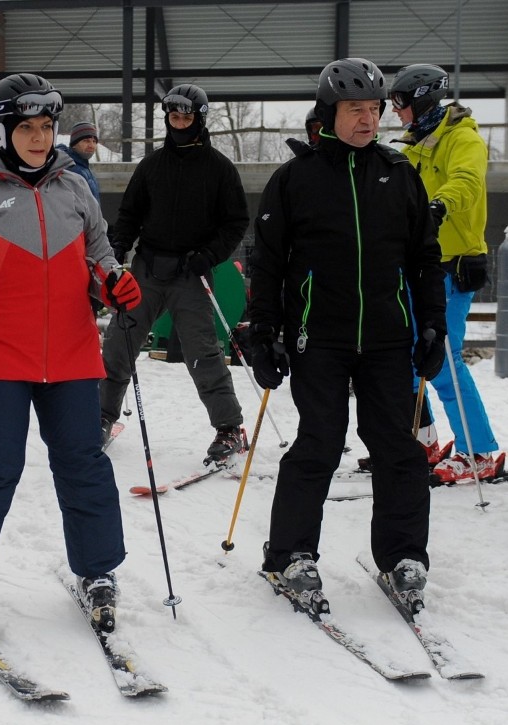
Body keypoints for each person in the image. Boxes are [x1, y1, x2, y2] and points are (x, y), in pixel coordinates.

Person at [0, 72, 139, 639]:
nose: (40, 138)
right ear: (2, 130)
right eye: (28, 128)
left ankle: (97, 572)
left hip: (69, 351)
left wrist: (113, 284)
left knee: (83, 462)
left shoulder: (74, 190)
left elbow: (99, 260)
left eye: (47, 127)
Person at [250, 58, 447, 612]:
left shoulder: (398, 173)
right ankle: (290, 553)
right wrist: (262, 329)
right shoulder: (296, 179)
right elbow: (267, 260)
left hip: (388, 336)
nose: (367, 119)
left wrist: (431, 323)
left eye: (374, 108)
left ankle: (403, 556)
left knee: (397, 449)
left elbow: (424, 258)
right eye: (355, 109)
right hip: (321, 336)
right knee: (319, 443)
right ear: (328, 113)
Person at [99, 83, 250, 462]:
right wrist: (117, 247)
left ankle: (229, 428)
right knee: (119, 345)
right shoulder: (152, 165)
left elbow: (235, 223)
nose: (179, 123)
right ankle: (100, 416)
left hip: (191, 274)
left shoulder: (220, 169)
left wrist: (210, 254)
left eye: (186, 117)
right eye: (173, 116)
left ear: (199, 120)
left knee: (202, 352)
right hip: (147, 270)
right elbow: (130, 213)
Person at [389, 63, 501, 483]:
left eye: (401, 104)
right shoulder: (416, 144)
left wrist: (438, 207)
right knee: (414, 356)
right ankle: (424, 440)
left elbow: (467, 182)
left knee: (445, 360)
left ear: (424, 101)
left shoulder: (462, 139)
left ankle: (480, 451)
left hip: (455, 265)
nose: (396, 113)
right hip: (421, 265)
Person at [56, 121, 101, 202]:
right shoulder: (69, 169)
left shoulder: (85, 169)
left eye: (94, 141)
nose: (91, 145)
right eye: (86, 141)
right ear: (74, 144)